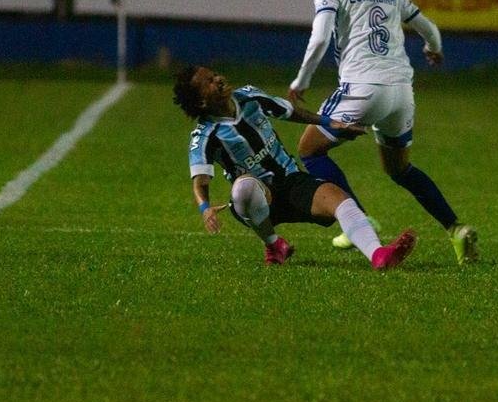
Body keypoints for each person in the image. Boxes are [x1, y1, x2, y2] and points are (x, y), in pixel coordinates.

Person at [288, 0, 478, 264]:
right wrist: (433, 50)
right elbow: (430, 30)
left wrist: (302, 80)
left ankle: (359, 221)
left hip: (362, 89)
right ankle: (456, 229)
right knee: (399, 169)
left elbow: (320, 38)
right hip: (401, 93)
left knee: (310, 151)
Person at [173, 65, 417, 270]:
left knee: (338, 198)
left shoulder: (249, 97)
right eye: (209, 82)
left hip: (291, 181)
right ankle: (273, 244)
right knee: (243, 188)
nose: (218, 79)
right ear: (202, 101)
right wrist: (205, 208)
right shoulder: (205, 135)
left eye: (215, 74)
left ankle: (379, 255)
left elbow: (289, 112)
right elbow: (200, 181)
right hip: (258, 200)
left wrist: (331, 123)